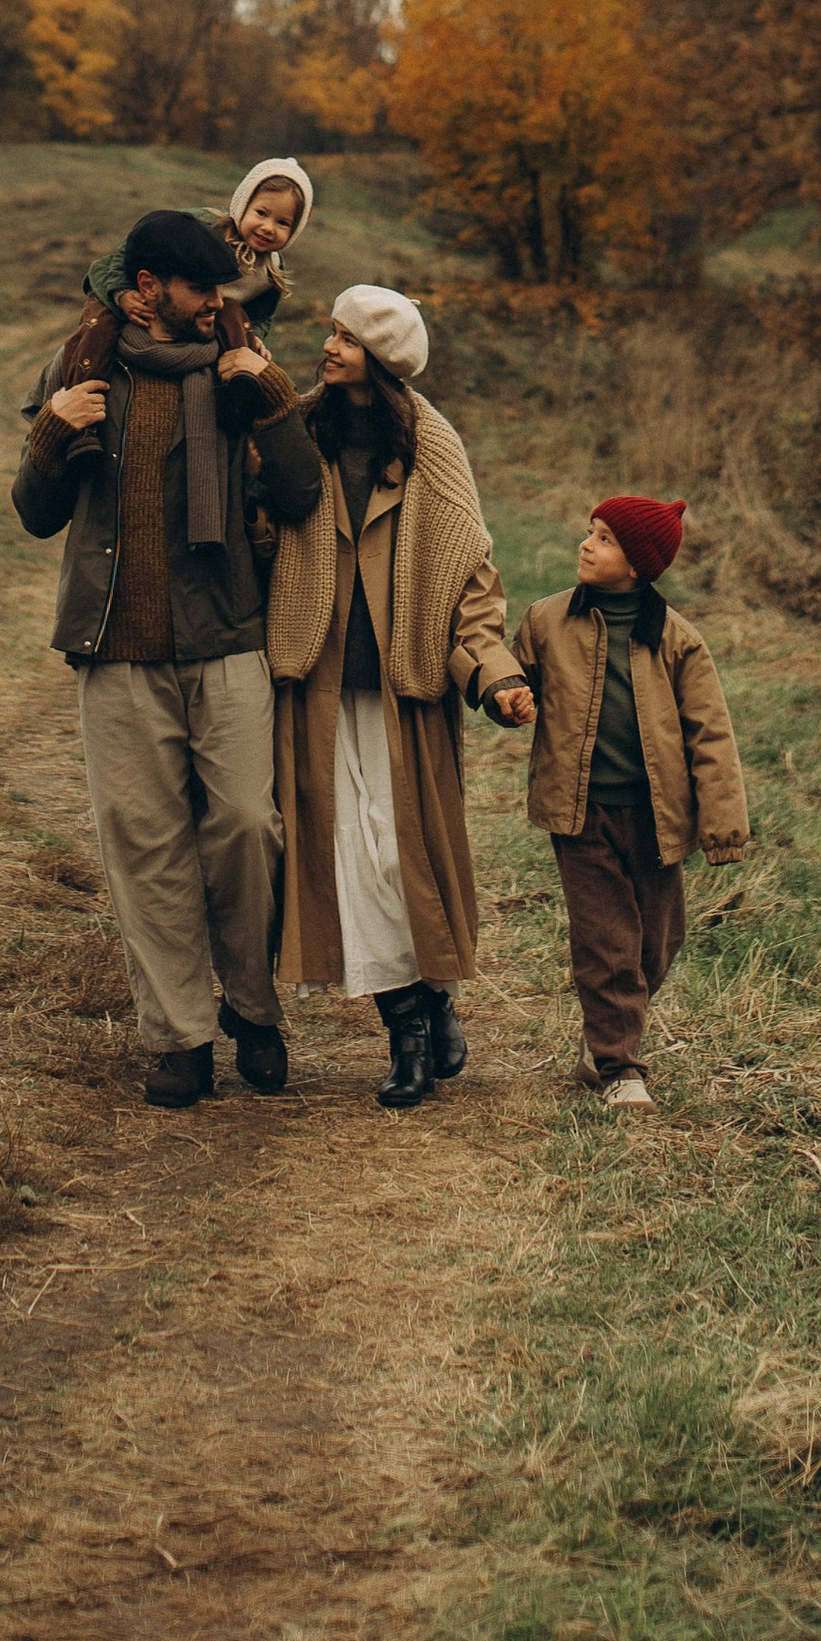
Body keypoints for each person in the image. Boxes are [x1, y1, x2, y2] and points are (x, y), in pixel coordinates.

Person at [12, 204, 322, 1109]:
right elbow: (36, 514)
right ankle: (179, 1037)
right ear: (147, 289)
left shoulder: (241, 366)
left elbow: (300, 494)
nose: (218, 303)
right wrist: (51, 430)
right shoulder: (81, 367)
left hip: (226, 635)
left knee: (246, 829)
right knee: (145, 848)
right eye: (200, 289)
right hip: (116, 649)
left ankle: (254, 1010)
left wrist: (268, 396)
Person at [263, 285, 533, 1110]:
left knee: (395, 854)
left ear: (379, 357)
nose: (330, 343)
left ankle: (430, 1005)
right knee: (348, 857)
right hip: (313, 680)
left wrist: (495, 673)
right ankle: (411, 1026)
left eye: (346, 336)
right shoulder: (297, 427)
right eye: (333, 330)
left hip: (401, 685)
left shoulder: (430, 443)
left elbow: (470, 574)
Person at [511, 496, 749, 1111]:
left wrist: (722, 825)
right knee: (607, 940)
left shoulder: (676, 640)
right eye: (589, 533)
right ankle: (619, 1068)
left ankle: (603, 1039)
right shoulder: (546, 622)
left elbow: (710, 733)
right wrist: (504, 695)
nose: (587, 545)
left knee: (659, 940)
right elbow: (508, 676)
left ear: (641, 565)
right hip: (580, 812)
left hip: (655, 817)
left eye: (606, 540)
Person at [47, 162, 315, 443]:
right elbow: (118, 257)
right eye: (261, 213)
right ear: (243, 204)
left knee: (233, 311)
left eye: (282, 223)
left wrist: (255, 338)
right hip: (133, 289)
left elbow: (260, 316)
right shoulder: (201, 227)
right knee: (99, 323)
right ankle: (82, 402)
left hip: (207, 318)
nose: (268, 227)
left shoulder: (271, 269)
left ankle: (236, 393)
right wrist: (122, 294)